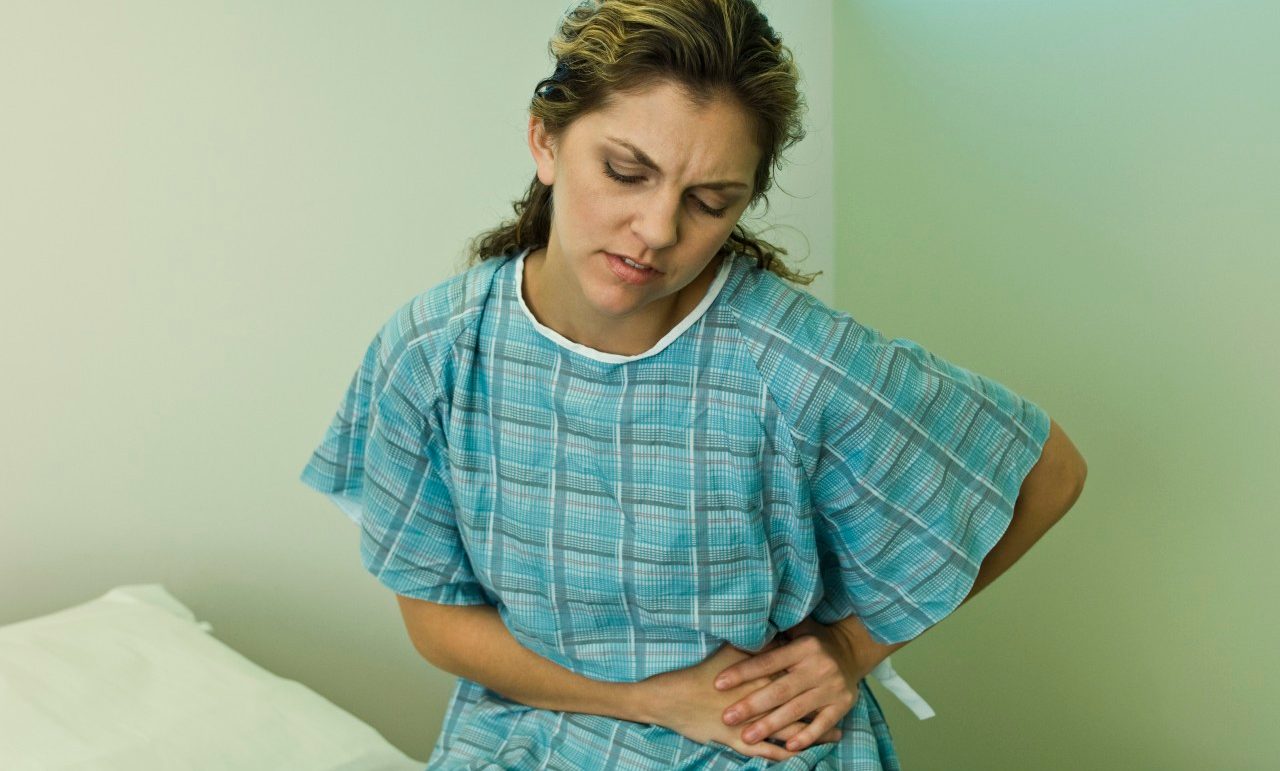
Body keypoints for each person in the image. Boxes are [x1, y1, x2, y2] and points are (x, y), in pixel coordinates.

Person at [298, 1, 1088, 768]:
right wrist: (654, 698)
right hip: (529, 733)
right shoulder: (435, 352)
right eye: (625, 172)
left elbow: (1047, 470)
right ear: (545, 141)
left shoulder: (790, 360)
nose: (659, 230)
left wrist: (851, 646)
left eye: (711, 202)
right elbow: (438, 622)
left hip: (748, 744)